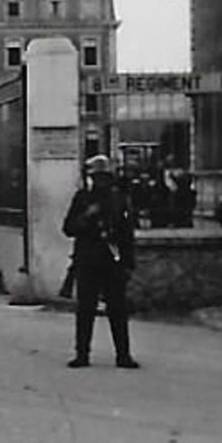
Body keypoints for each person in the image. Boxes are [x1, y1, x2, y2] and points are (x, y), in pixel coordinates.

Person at [61, 154, 139, 369]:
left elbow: (127, 234)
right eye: (97, 177)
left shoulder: (119, 200)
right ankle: (82, 354)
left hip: (112, 261)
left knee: (118, 310)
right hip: (87, 260)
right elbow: (68, 228)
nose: (101, 181)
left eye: (104, 177)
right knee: (86, 309)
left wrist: (128, 263)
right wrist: (86, 216)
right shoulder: (82, 199)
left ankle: (123, 354)